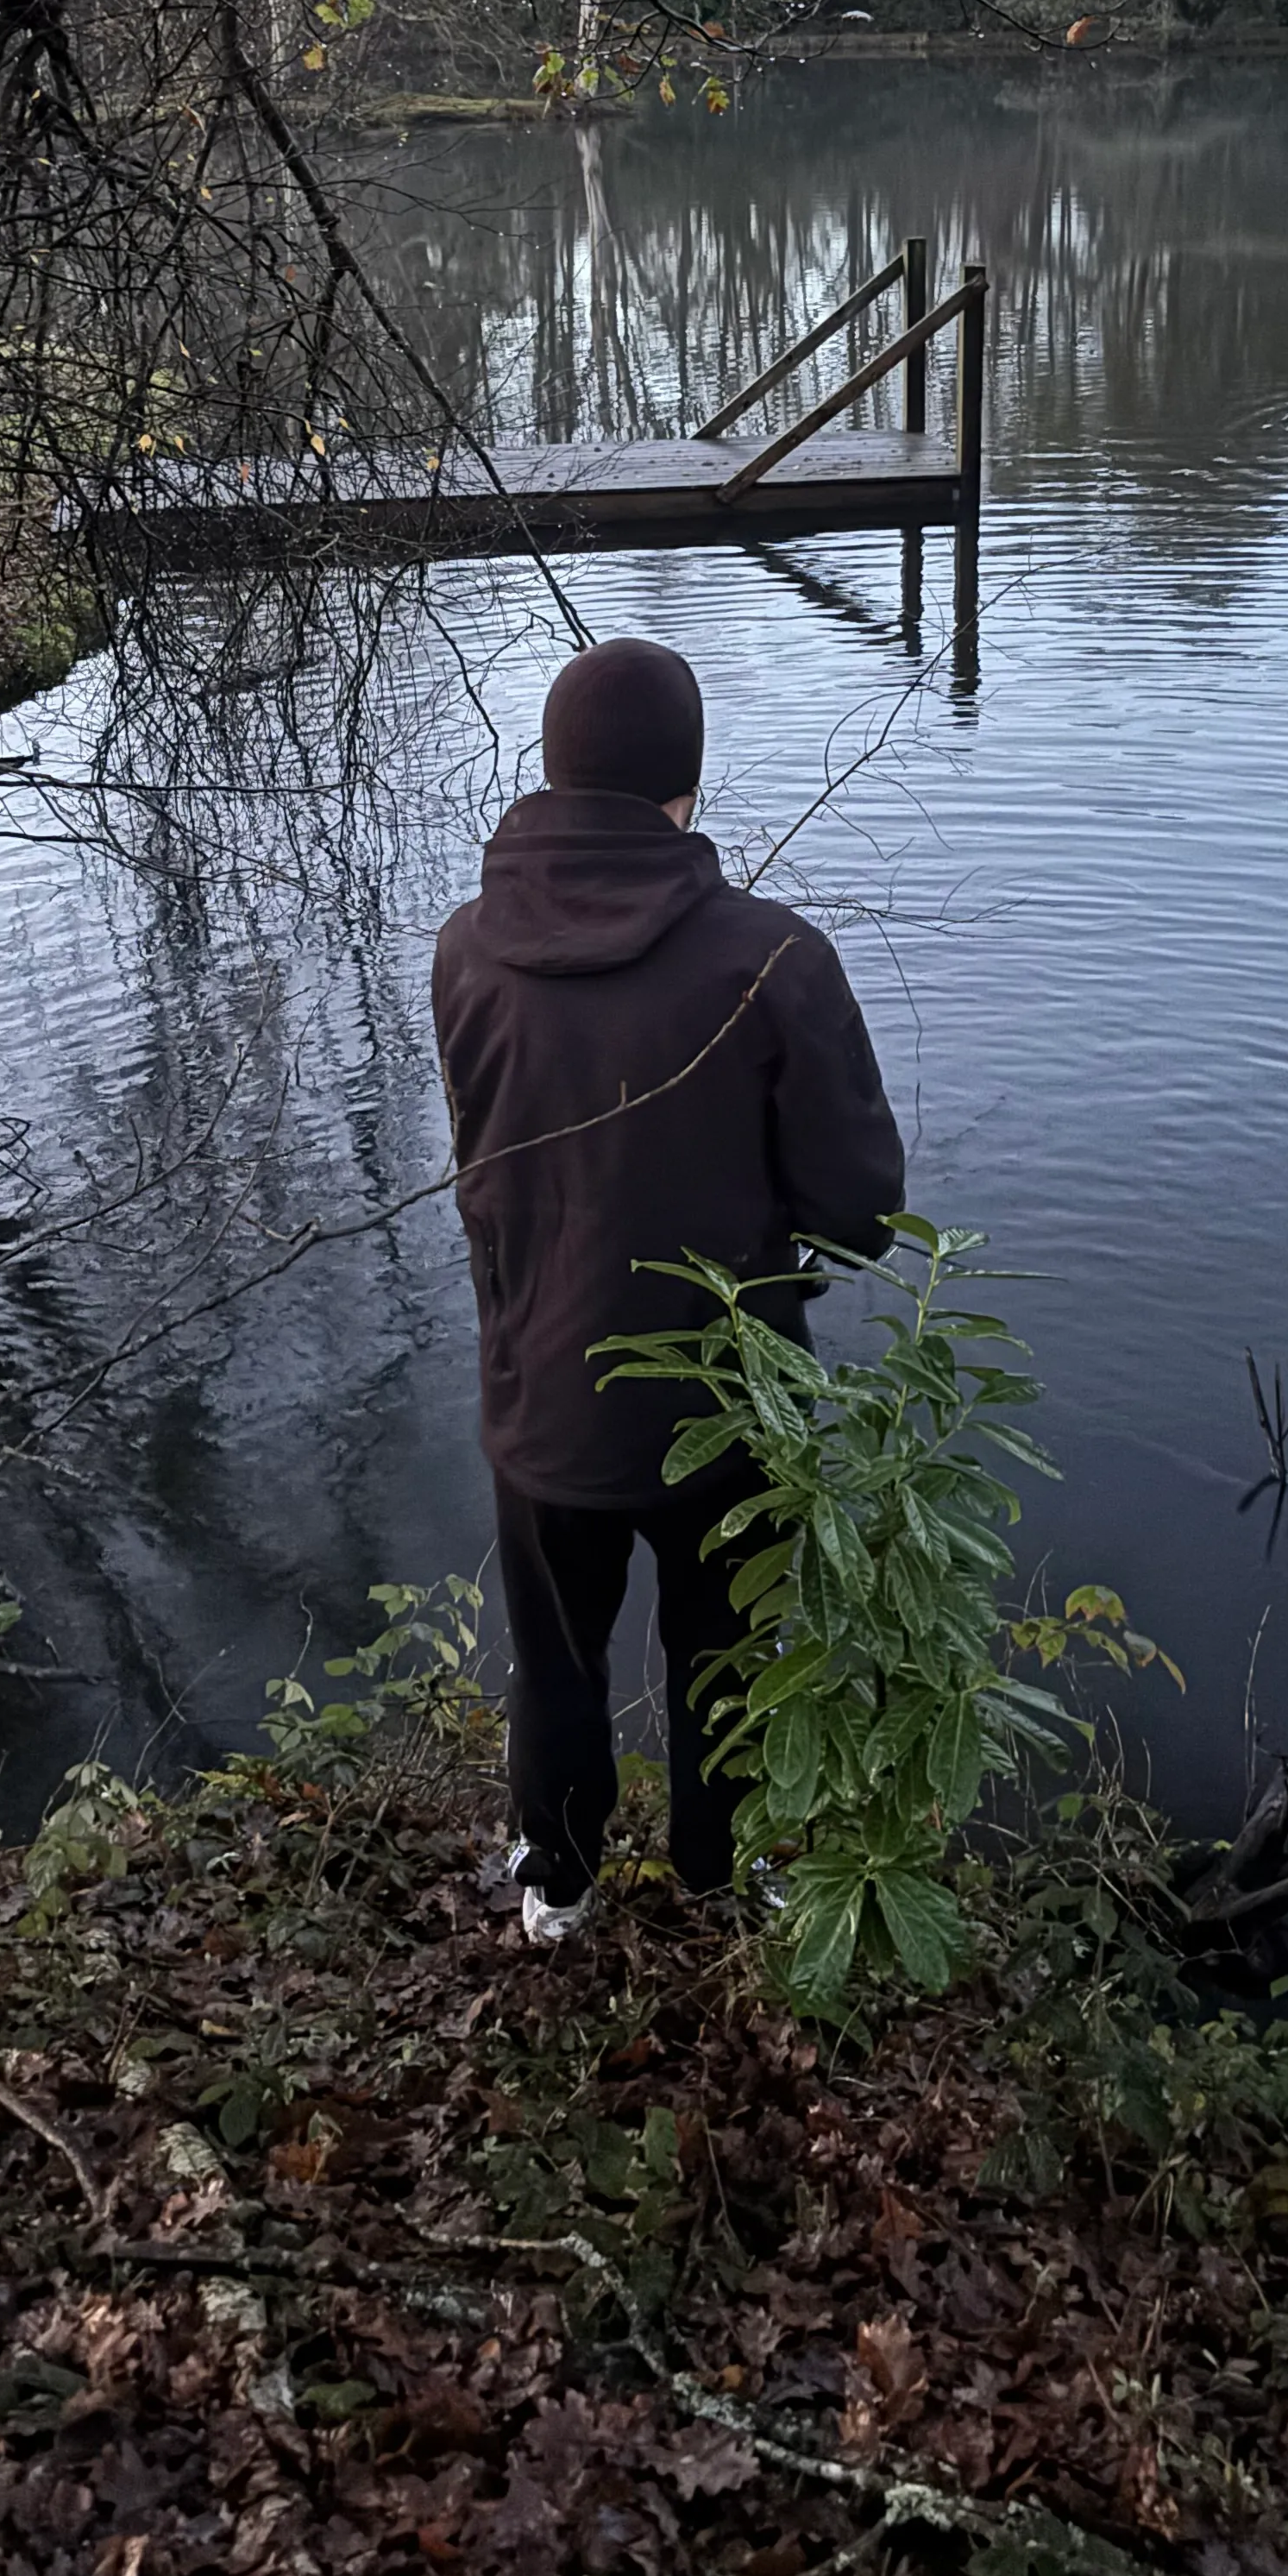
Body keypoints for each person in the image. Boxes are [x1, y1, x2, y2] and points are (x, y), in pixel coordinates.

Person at [431, 638, 906, 1943]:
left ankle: (560, 1888)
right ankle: (717, 1881)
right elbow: (862, 1217)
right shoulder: (774, 960)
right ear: (686, 790)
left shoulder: (465, 951)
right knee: (721, 1655)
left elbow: (493, 1156)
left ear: (554, 776)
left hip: (542, 1392)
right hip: (726, 1407)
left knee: (558, 1660)